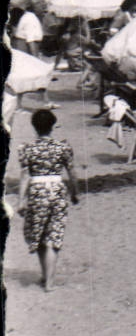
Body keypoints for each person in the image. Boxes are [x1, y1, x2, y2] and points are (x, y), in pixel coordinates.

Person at [18, 109, 78, 290]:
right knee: (54, 234)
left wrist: (21, 200)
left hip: (37, 191)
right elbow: (72, 172)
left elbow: (25, 175)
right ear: (53, 125)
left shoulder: (27, 148)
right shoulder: (63, 147)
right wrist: (75, 192)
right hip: (57, 190)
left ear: (34, 127)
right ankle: (50, 282)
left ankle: (45, 275)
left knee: (39, 234)